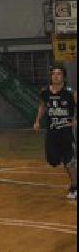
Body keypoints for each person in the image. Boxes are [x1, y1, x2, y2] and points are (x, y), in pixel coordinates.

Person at [34, 66, 77, 200]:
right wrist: (37, 121)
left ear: (63, 76)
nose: (56, 76)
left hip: (66, 132)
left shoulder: (70, 93)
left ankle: (74, 187)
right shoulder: (44, 92)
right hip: (52, 132)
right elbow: (42, 106)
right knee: (52, 160)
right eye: (54, 74)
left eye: (59, 74)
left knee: (69, 161)